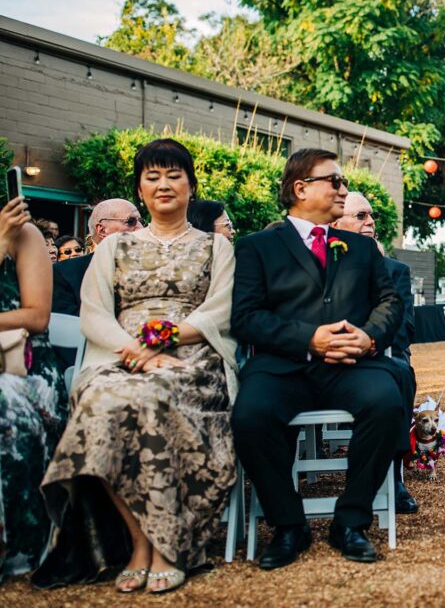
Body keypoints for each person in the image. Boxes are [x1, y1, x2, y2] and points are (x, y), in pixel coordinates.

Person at [34, 139, 237, 593]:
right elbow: (94, 312)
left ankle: (167, 548)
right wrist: (133, 349)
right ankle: (142, 541)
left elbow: (220, 310)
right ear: (140, 191)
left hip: (193, 358)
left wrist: (164, 338)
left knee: (156, 392)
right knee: (100, 399)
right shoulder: (114, 248)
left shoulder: (215, 248)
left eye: (173, 175)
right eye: (152, 177)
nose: (163, 184)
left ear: (190, 184)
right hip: (120, 355)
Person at [230, 148, 407, 568]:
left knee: (386, 403)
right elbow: (246, 317)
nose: (344, 189)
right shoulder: (256, 247)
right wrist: (310, 339)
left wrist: (368, 338)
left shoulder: (360, 249)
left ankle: (351, 521)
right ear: (301, 188)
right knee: (250, 416)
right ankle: (289, 524)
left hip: (352, 364)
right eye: (336, 181)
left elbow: (390, 301)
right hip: (282, 365)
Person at [334, 190, 418, 514]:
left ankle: (394, 473)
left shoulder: (395, 270)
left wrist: (370, 342)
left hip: (383, 354)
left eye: (371, 216)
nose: (370, 222)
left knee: (401, 370)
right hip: (332, 358)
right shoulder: (322, 264)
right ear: (336, 222)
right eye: (360, 216)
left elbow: (404, 328)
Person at [0, 195, 67, 581]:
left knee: (4, 397)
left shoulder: (25, 236)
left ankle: (19, 543)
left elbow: (37, 316)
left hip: (26, 367)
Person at [52, 198, 143, 317]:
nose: (141, 228)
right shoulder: (65, 273)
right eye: (131, 221)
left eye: (141, 221)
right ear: (102, 230)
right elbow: (67, 323)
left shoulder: (153, 267)